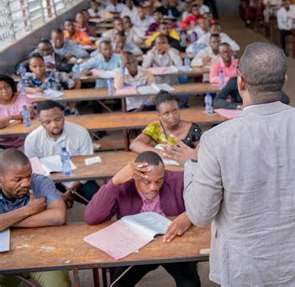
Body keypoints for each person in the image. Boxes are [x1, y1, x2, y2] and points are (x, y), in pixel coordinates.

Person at [182, 42, 295, 286]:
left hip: (244, 265)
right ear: (284, 80)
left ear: (241, 81)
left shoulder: (217, 140)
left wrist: (192, 164)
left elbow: (200, 215)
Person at [84, 151, 200, 286]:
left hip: (172, 243)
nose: (153, 187)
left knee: (190, 284)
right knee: (118, 284)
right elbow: (91, 217)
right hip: (134, 247)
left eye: (159, 181)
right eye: (146, 182)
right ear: (135, 177)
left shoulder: (178, 180)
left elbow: (206, 201)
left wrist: (189, 215)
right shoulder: (124, 185)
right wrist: (114, 182)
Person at [0, 149, 70, 287]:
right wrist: (28, 210)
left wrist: (6, 222)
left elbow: (58, 216)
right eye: (18, 179)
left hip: (43, 252)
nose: (26, 183)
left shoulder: (41, 182)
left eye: (29, 176)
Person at [24, 100, 100, 208]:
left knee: (100, 202)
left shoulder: (80, 132)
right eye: (47, 122)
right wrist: (56, 193)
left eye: (57, 119)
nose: (54, 125)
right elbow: (33, 173)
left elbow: (88, 167)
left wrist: (71, 191)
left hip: (78, 179)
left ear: (63, 115)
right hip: (46, 182)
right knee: (41, 209)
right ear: (39, 121)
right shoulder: (32, 139)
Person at [130, 92, 201, 157]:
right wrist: (159, 152)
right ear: (159, 114)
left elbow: (201, 152)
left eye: (175, 110)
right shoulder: (155, 127)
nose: (172, 116)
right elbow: (134, 144)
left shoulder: (192, 129)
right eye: (166, 113)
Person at [214, 74, 289, 109]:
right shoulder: (233, 82)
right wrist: (239, 106)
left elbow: (285, 99)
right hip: (239, 116)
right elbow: (217, 101)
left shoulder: (261, 81)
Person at [0, 74, 35, 149]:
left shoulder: (21, 98)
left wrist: (10, 117)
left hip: (22, 141)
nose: (5, 91)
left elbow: (30, 113)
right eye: (0, 89)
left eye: (7, 87)